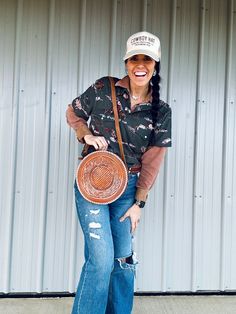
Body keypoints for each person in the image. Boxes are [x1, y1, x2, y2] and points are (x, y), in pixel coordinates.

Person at [66, 31, 171, 314]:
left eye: (146, 59)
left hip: (128, 189)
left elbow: (153, 161)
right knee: (101, 258)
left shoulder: (160, 111)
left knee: (122, 259)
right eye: (134, 58)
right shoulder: (103, 88)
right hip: (92, 184)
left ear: (154, 64)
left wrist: (139, 203)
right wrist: (85, 134)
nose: (140, 65)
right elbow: (72, 113)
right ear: (126, 63)